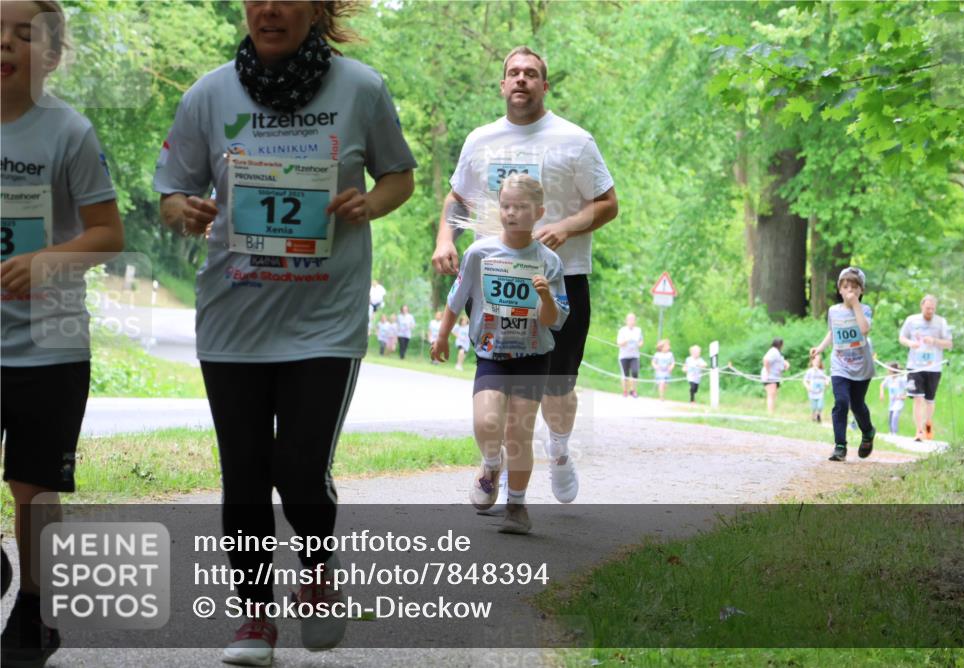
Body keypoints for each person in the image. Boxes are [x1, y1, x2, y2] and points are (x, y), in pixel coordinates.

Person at [153, 2, 416, 663]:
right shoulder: (208, 94)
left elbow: (399, 176)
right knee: (243, 472)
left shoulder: (361, 87)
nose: (269, 9)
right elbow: (170, 193)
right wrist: (184, 209)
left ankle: (319, 571)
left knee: (299, 468)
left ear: (315, 8)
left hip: (324, 318)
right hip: (233, 317)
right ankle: (253, 619)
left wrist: (370, 202)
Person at [431, 46, 618, 505]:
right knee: (497, 385)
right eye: (512, 73)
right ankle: (493, 465)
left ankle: (558, 449)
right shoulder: (480, 140)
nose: (520, 79)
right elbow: (456, 198)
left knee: (558, 388)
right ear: (502, 84)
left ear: (544, 85)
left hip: (560, 278)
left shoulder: (574, 140)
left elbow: (608, 203)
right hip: (496, 278)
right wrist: (445, 240)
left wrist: (565, 226)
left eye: (530, 73)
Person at [1, 2, 125, 665]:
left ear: (51, 55)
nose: (6, 43)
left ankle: (35, 610)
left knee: (33, 488)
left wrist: (47, 260)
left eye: (24, 33)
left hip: (48, 345)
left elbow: (109, 233)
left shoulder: (69, 133)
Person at [432, 174, 569, 534]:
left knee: (518, 433)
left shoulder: (550, 262)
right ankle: (492, 464)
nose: (512, 213)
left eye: (521, 207)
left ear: (538, 212)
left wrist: (545, 298)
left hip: (534, 357)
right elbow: (456, 299)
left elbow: (554, 322)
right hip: (492, 353)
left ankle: (517, 506)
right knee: (487, 423)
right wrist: (443, 337)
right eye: (506, 205)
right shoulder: (480, 253)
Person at [810, 267, 876, 462]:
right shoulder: (833, 311)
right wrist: (820, 348)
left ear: (861, 291)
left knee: (857, 405)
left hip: (861, 365)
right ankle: (840, 446)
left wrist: (855, 305)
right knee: (841, 402)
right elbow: (832, 332)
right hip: (840, 364)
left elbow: (864, 329)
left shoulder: (865, 310)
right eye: (846, 287)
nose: (850, 291)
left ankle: (868, 432)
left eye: (855, 288)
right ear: (839, 290)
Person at [899, 295, 953, 441]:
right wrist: (910, 343)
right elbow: (902, 337)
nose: (930, 311)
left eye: (933, 309)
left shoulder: (941, 322)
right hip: (914, 366)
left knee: (929, 400)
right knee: (917, 398)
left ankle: (928, 425)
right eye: (928, 308)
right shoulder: (911, 320)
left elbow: (949, 344)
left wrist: (934, 341)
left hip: (934, 366)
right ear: (922, 306)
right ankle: (919, 431)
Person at [617, 312, 643, 398]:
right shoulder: (622, 330)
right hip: (624, 356)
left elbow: (641, 341)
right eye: (630, 319)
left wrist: (639, 344)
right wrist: (626, 341)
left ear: (635, 321)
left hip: (634, 355)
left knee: (635, 372)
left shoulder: (638, 330)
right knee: (625, 375)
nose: (631, 321)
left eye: (633, 319)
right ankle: (625, 391)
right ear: (626, 321)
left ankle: (633, 390)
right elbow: (619, 343)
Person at [761, 338, 790, 415]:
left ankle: (772, 412)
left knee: (773, 395)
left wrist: (785, 364)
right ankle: (770, 413)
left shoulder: (777, 352)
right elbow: (765, 360)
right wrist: (768, 372)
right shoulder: (773, 351)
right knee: (771, 395)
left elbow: (779, 362)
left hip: (775, 377)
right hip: (770, 377)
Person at [880, 362, 907, 436]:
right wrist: (882, 393)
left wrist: (904, 396)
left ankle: (894, 432)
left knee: (895, 415)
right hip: (892, 401)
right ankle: (891, 432)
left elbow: (907, 388)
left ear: (892, 370)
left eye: (888, 369)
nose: (887, 371)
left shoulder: (900, 379)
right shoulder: (889, 378)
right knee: (890, 416)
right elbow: (882, 384)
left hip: (899, 401)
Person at [803, 353, 829, 423]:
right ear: (812, 362)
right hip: (812, 392)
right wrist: (807, 387)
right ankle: (813, 417)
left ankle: (818, 416)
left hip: (820, 392)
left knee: (820, 406)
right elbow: (805, 380)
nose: (817, 363)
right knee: (813, 407)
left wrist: (826, 383)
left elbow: (826, 378)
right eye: (815, 361)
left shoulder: (822, 371)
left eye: (818, 361)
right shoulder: (809, 371)